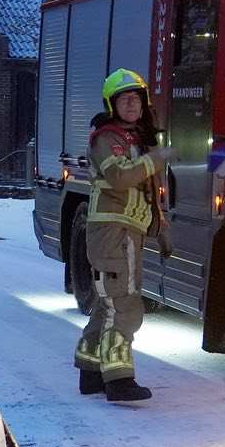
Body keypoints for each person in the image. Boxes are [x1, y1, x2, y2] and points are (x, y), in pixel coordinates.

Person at [74, 68, 169, 404]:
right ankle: (119, 379)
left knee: (108, 303)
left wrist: (160, 226)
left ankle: (91, 371)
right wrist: (156, 159)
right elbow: (120, 178)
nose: (131, 104)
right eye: (124, 99)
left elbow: (145, 193)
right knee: (124, 304)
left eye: (136, 98)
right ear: (111, 105)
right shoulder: (107, 138)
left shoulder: (134, 139)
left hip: (125, 231)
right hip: (113, 233)